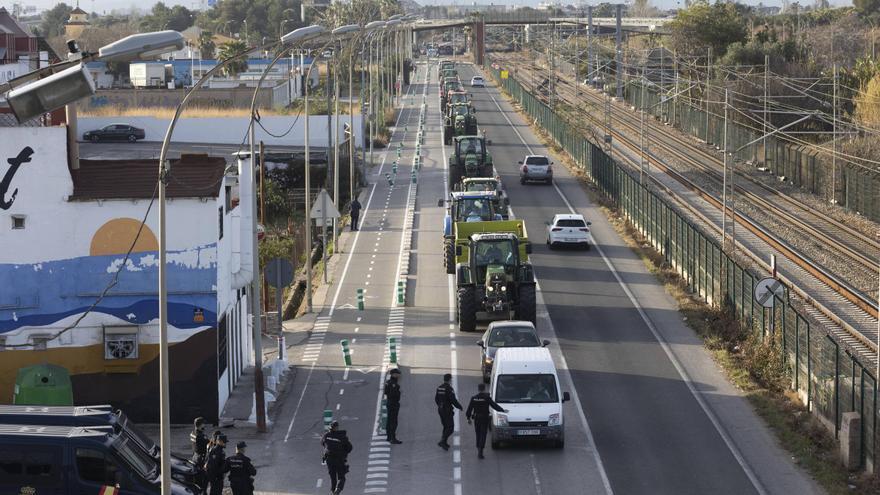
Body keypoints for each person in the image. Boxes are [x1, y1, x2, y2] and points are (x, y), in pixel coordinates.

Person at [466, 383, 508, 459]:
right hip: (484, 418)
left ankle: (478, 448)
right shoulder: (486, 398)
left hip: (477, 418)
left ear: (478, 389)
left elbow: (469, 409)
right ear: (484, 389)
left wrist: (468, 418)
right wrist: (502, 410)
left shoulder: (474, 398)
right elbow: (494, 405)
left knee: (478, 434)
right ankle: (480, 451)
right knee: (483, 434)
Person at [322, 421, 353, 494]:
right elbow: (350, 448)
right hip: (339, 460)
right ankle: (338, 490)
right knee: (342, 477)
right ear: (337, 427)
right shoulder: (342, 437)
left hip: (329, 459)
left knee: (333, 478)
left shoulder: (327, 435)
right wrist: (343, 452)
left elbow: (323, 444)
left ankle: (333, 492)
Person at [434, 373, 463, 451]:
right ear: (450, 380)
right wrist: (459, 407)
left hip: (440, 409)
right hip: (447, 410)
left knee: (445, 426)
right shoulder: (449, 389)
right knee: (450, 428)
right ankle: (442, 441)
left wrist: (440, 405)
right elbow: (453, 400)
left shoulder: (439, 388)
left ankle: (444, 441)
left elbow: (436, 399)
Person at [383, 368, 402, 444]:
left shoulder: (388, 382)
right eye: (397, 374)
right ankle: (392, 438)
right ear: (394, 374)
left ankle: (388, 437)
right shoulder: (394, 384)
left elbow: (386, 392)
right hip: (393, 403)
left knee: (389, 420)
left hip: (389, 402)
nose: (399, 375)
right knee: (393, 421)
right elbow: (393, 394)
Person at [190, 417, 208, 494]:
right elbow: (208, 444)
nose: (205, 425)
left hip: (194, 456)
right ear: (200, 425)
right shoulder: (200, 436)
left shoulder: (192, 433)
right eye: (203, 424)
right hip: (201, 459)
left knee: (196, 477)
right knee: (202, 479)